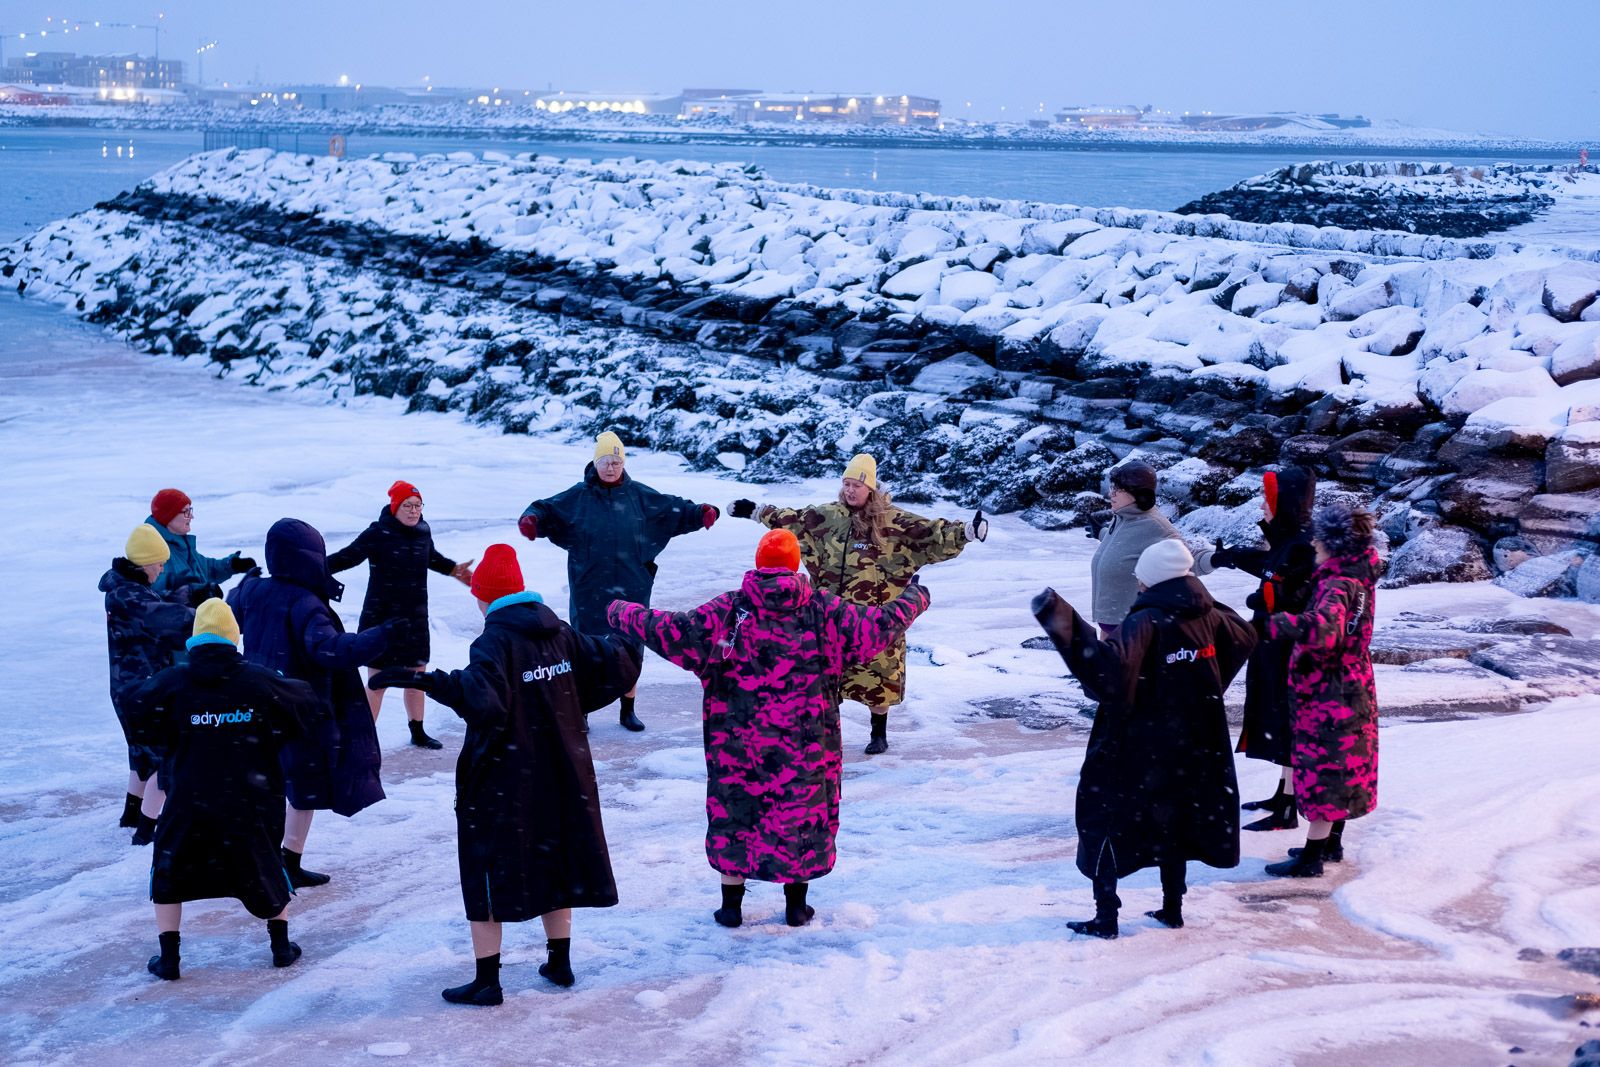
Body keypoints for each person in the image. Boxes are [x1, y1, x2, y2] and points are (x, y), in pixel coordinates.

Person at [608, 529, 931, 929]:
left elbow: (671, 629)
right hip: (807, 745)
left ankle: (731, 907)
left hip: (736, 745)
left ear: (759, 564)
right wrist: (916, 596)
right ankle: (796, 906)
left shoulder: (728, 610)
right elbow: (879, 625)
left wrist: (619, 610)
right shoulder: (825, 610)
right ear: (795, 566)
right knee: (800, 816)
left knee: (736, 815)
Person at [369, 544, 642, 1005]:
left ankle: (487, 981)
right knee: (556, 858)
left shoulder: (494, 640)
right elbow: (613, 662)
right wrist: (629, 632)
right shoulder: (559, 631)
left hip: (508, 777)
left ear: (484, 596)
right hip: (564, 770)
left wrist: (423, 680)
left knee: (485, 871)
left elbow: (484, 701)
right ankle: (559, 961)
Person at [1032, 539, 1256, 939]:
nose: (1137, 582)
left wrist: (1062, 620)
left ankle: (1106, 917)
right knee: (1175, 815)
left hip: (1138, 741)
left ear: (1151, 580)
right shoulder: (1209, 613)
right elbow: (1244, 636)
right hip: (1194, 739)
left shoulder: (1147, 620)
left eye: (1141, 576)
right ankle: (1173, 907)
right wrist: (1207, 685)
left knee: (1103, 815)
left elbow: (1109, 673)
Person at [728, 452, 984, 755]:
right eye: (846, 484)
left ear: (871, 488)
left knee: (878, 682)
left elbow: (930, 533)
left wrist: (966, 532)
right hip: (830, 617)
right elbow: (793, 519)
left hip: (875, 619)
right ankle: (823, 735)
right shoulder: (828, 515)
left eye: (857, 485)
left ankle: (879, 733)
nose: (850, 490)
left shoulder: (892, 521)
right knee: (824, 681)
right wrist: (755, 511)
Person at [128, 599, 323, 981]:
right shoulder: (260, 680)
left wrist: (171, 737)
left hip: (189, 800)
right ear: (233, 638)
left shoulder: (173, 682)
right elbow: (307, 705)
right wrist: (269, 733)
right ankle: (281, 947)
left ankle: (169, 958)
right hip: (250, 800)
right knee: (266, 867)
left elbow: (136, 707)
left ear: (195, 639)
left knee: (168, 872)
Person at [228, 518, 393, 888]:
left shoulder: (252, 590)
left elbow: (227, 616)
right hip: (300, 710)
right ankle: (287, 860)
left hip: (259, 702)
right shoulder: (305, 603)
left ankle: (268, 858)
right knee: (303, 790)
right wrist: (380, 636)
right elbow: (330, 650)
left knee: (269, 783)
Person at [518, 431, 718, 733]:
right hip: (589, 587)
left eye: (616, 462)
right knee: (584, 647)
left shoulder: (639, 496)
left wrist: (700, 513)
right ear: (595, 462)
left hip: (631, 585)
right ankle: (582, 711)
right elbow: (545, 509)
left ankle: (628, 710)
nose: (611, 468)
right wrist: (532, 521)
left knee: (630, 647)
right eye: (605, 462)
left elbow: (672, 509)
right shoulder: (578, 497)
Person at [1193, 467, 1318, 832]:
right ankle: (1283, 793)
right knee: (1276, 719)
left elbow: (1294, 594)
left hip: (1288, 650)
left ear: (1286, 504)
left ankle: (1289, 808)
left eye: (1269, 500)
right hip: (1271, 645)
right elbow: (1267, 565)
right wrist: (1227, 557)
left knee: (1287, 722)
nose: (1263, 506)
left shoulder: (1303, 545)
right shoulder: (1288, 539)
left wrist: (1262, 600)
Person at [1263, 502, 1381, 878]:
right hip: (1352, 683)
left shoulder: (1337, 583)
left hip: (1328, 691)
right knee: (1343, 766)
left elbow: (1325, 629)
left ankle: (1311, 858)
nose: (1313, 543)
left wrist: (1280, 623)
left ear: (1335, 544)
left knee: (1325, 770)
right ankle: (1331, 843)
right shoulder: (1359, 576)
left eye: (1320, 538)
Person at [328, 479, 474, 749]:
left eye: (418, 505)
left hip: (415, 617)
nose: (414, 511)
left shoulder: (423, 531)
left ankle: (417, 731)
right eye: (408, 505)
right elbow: (347, 557)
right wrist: (314, 569)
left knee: (416, 677)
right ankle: (364, 737)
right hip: (381, 617)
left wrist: (455, 570)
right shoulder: (378, 533)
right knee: (378, 681)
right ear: (395, 507)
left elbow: (432, 557)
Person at [100, 523, 196, 845]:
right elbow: (167, 619)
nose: (162, 569)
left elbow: (154, 607)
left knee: (141, 755)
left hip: (129, 687)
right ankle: (146, 832)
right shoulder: (128, 595)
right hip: (141, 690)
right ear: (144, 563)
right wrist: (210, 615)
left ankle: (131, 816)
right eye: (159, 563)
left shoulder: (125, 588)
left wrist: (184, 596)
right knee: (165, 758)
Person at [1086, 460, 1183, 638]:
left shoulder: (1155, 525)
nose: (1111, 493)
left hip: (1133, 629)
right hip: (1110, 624)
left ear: (1140, 495)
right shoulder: (1122, 517)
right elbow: (1123, 543)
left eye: (1119, 489)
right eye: (1112, 487)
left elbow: (1187, 557)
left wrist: (1215, 558)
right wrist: (1101, 533)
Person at [144, 488, 255, 600]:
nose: (191, 517)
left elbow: (207, 568)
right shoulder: (152, 549)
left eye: (190, 511)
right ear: (169, 516)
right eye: (186, 512)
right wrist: (191, 591)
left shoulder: (182, 546)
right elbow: (151, 586)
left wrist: (231, 565)